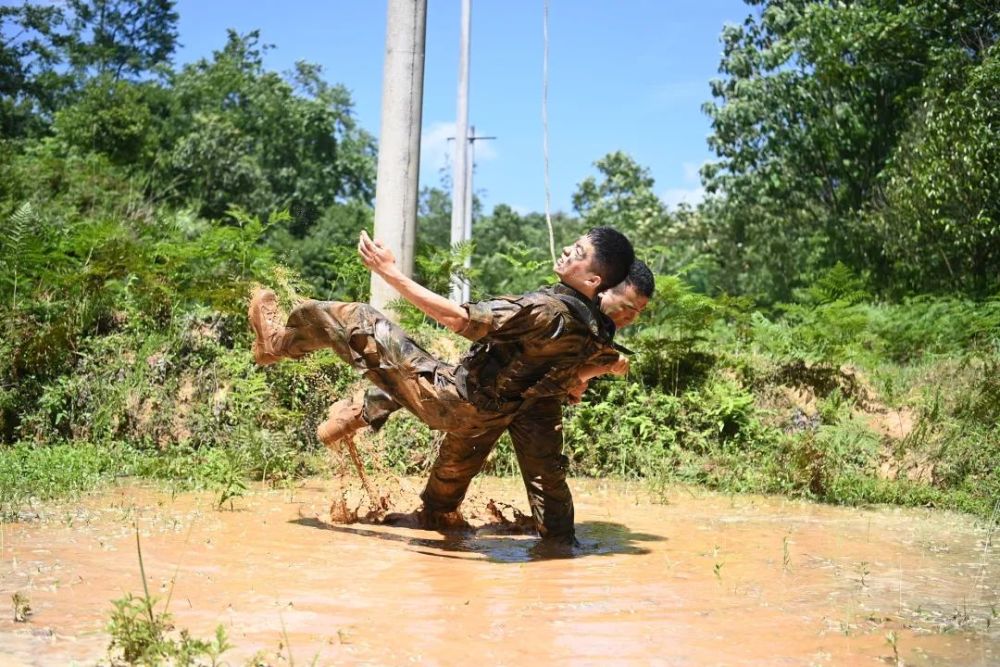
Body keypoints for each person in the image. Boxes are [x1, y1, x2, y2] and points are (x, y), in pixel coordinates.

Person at [249, 227, 634, 543]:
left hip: (456, 400)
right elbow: (573, 375)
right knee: (445, 500)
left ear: (592, 278)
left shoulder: (545, 310)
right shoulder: (596, 331)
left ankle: (276, 344)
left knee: (357, 319)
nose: (568, 249)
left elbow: (458, 319)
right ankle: (553, 548)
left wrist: (389, 273)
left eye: (579, 251)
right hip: (490, 417)